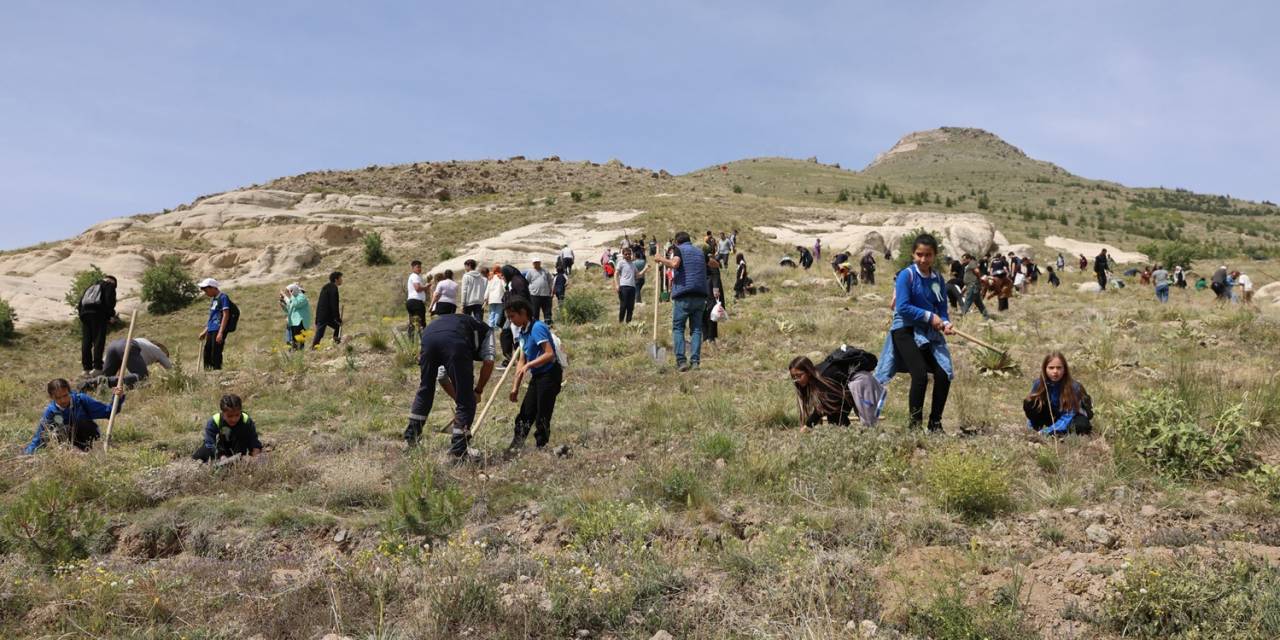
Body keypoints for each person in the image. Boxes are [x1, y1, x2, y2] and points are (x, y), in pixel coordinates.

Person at [873, 234, 954, 432]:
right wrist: (929, 317)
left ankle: (935, 424)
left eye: (928, 255)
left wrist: (945, 322)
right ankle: (914, 427)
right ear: (913, 254)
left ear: (934, 256)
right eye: (919, 254)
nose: (923, 259)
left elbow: (941, 306)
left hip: (928, 332)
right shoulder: (906, 275)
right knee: (919, 374)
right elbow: (902, 306)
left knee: (943, 375)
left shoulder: (937, 279)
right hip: (905, 329)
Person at [403, 311, 496, 456]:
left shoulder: (461, 324)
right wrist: (477, 392)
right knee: (466, 399)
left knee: (425, 388)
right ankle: (459, 450)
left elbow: (441, 376)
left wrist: (459, 399)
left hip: (428, 336)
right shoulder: (488, 331)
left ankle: (411, 438)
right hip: (455, 340)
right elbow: (489, 362)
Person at [504, 296, 563, 453]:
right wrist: (515, 388)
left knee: (542, 413)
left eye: (512, 316)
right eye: (509, 317)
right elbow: (522, 361)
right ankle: (516, 445)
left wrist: (531, 364)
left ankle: (541, 447)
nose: (511, 321)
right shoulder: (523, 331)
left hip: (550, 374)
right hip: (538, 375)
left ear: (523, 312)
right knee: (526, 412)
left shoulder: (537, 328)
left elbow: (549, 354)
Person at [654, 231, 712, 371]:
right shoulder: (699, 251)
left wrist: (661, 259)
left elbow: (674, 264)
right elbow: (713, 264)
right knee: (696, 329)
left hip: (684, 295)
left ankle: (681, 361)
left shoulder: (679, 249)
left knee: (679, 328)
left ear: (677, 242)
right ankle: (695, 362)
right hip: (700, 295)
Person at [24, 379, 124, 453]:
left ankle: (93, 450)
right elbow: (40, 436)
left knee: (81, 421)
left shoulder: (81, 400)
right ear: (51, 397)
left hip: (90, 439)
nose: (63, 400)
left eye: (65, 395)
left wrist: (117, 398)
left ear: (70, 392)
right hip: (69, 447)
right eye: (58, 398)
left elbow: (108, 412)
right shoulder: (51, 412)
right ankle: (75, 454)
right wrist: (28, 453)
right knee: (58, 431)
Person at [1024, 352, 1092, 436]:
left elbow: (1068, 416)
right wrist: (1030, 428)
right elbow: (1033, 408)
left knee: (1081, 426)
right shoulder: (1038, 384)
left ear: (1065, 370)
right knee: (1029, 403)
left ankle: (1059, 432)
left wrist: (1046, 431)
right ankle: (1040, 428)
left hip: (1071, 417)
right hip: (1052, 416)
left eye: (1059, 368)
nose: (1055, 371)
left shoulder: (1074, 387)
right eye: (1051, 368)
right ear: (1045, 369)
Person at [193, 394, 263, 462]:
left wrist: (255, 458)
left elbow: (254, 441)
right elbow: (210, 444)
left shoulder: (246, 420)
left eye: (237, 415)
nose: (234, 419)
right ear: (223, 413)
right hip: (220, 451)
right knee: (203, 451)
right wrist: (223, 458)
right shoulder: (214, 422)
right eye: (230, 416)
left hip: (239, 450)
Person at [77, 274, 118, 376]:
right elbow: (109, 302)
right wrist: (111, 316)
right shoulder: (109, 285)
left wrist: (82, 315)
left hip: (85, 314)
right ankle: (97, 368)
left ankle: (86, 369)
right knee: (98, 341)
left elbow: (80, 303)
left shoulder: (91, 286)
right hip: (98, 315)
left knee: (86, 341)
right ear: (113, 282)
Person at [91, 337, 171, 389]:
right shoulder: (158, 350)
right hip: (127, 345)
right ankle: (106, 381)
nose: (157, 363)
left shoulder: (144, 343)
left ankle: (88, 383)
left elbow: (125, 366)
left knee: (103, 383)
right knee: (143, 377)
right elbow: (170, 368)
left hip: (114, 345)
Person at [499, 265, 531, 367]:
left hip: (517, 311)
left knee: (511, 334)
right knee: (510, 333)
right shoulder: (517, 280)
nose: (503, 277)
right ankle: (514, 358)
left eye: (503, 275)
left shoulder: (516, 282)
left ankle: (515, 359)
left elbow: (521, 297)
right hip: (517, 311)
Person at [198, 278, 232, 370]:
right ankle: (208, 374)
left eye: (206, 290)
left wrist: (221, 332)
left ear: (213, 288)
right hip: (211, 329)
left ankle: (217, 374)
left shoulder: (223, 297)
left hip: (218, 329)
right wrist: (205, 331)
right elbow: (212, 317)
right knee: (207, 352)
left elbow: (226, 315)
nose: (205, 292)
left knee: (215, 353)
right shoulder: (214, 300)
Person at [311, 271, 343, 349]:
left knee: (337, 326)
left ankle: (336, 343)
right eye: (340, 278)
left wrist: (317, 316)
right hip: (325, 315)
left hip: (323, 314)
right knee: (320, 332)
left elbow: (320, 303)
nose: (342, 280)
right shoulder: (333, 288)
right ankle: (314, 348)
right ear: (336, 279)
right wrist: (337, 318)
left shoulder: (326, 287)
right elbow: (334, 304)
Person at [279, 283, 311, 349]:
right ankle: (295, 353)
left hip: (301, 322)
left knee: (300, 341)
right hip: (294, 322)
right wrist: (282, 302)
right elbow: (289, 309)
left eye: (290, 291)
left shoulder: (302, 297)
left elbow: (296, 304)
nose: (289, 293)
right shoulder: (294, 298)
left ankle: (300, 353)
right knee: (294, 341)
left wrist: (291, 296)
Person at [959, 254, 990, 320]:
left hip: (973, 286)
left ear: (968, 258)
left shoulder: (972, 262)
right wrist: (964, 288)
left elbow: (977, 271)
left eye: (964, 259)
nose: (963, 261)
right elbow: (970, 277)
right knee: (979, 303)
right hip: (972, 285)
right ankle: (986, 317)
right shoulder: (968, 265)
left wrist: (979, 279)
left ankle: (962, 317)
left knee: (967, 301)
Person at [525, 258, 554, 324]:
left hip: (545, 294)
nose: (536, 263)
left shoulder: (545, 271)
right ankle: (535, 325)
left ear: (540, 263)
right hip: (534, 295)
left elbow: (550, 280)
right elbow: (526, 282)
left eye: (538, 262)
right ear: (533, 263)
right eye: (535, 262)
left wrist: (551, 290)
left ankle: (548, 324)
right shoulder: (530, 272)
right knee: (535, 312)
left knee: (547, 311)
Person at [614, 246, 639, 323]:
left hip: (632, 287)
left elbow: (637, 275)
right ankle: (620, 322)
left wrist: (645, 269)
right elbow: (616, 274)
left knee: (630, 307)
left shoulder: (633, 264)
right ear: (623, 255)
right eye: (626, 254)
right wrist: (617, 285)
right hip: (623, 286)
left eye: (629, 254)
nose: (628, 255)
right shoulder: (621, 263)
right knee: (623, 305)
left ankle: (628, 323)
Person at [406, 261, 428, 333]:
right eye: (417, 267)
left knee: (413, 323)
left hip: (411, 301)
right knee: (421, 323)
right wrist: (426, 287)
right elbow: (418, 289)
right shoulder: (415, 276)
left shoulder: (414, 276)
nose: (419, 269)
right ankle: (423, 341)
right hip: (416, 302)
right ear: (413, 268)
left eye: (420, 267)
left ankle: (411, 342)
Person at [486, 263, 507, 329]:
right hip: (499, 298)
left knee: (492, 312)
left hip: (491, 299)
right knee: (498, 312)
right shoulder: (500, 278)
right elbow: (504, 287)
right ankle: (495, 326)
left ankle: (490, 325)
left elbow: (487, 289)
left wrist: (485, 297)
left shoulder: (491, 278)